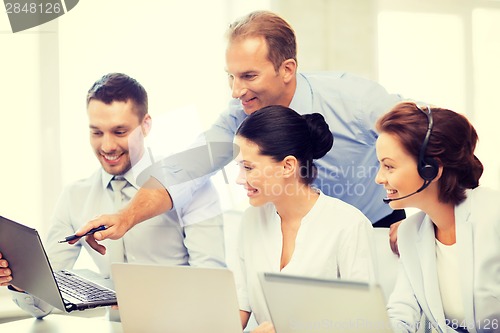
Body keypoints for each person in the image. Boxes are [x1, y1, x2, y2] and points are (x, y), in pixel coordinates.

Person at [76, 10, 404, 256]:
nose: (236, 91)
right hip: (293, 235)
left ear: (287, 69)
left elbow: (434, 138)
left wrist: (422, 222)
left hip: (376, 229)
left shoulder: (356, 101)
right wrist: (126, 217)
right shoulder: (239, 113)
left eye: (248, 76)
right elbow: (184, 169)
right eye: (230, 77)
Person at [0, 73, 225, 319]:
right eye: (97, 133)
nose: (107, 146)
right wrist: (22, 282)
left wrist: (146, 299)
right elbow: (43, 302)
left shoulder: (189, 184)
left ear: (146, 125)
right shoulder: (74, 197)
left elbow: (212, 287)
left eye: (119, 132)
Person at [234, 105, 377, 332]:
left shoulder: (349, 225)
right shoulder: (251, 220)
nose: (239, 179)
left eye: (248, 168)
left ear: (288, 166)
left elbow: (365, 324)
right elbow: (239, 305)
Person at [375, 101, 500, 332]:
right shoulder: (410, 232)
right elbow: (402, 313)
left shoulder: (493, 215)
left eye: (389, 167)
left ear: (431, 169)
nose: (379, 178)